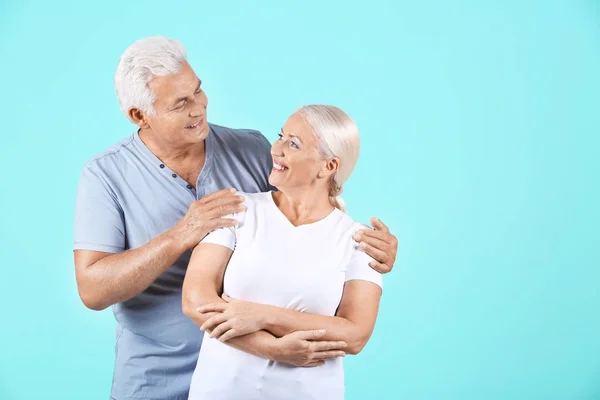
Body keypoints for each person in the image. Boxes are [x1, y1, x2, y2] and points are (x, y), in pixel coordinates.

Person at [73, 36, 399, 400]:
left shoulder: (251, 149)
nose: (199, 108)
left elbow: (307, 208)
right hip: (155, 376)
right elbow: (92, 289)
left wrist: (368, 250)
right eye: (181, 103)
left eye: (198, 91)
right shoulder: (105, 176)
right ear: (139, 116)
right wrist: (182, 234)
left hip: (254, 376)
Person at [182, 104, 383, 400]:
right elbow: (195, 300)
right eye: (281, 136)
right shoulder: (237, 209)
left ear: (328, 167)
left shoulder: (358, 239)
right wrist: (273, 349)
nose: (276, 149)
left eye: (293, 144)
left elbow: (354, 335)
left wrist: (261, 315)